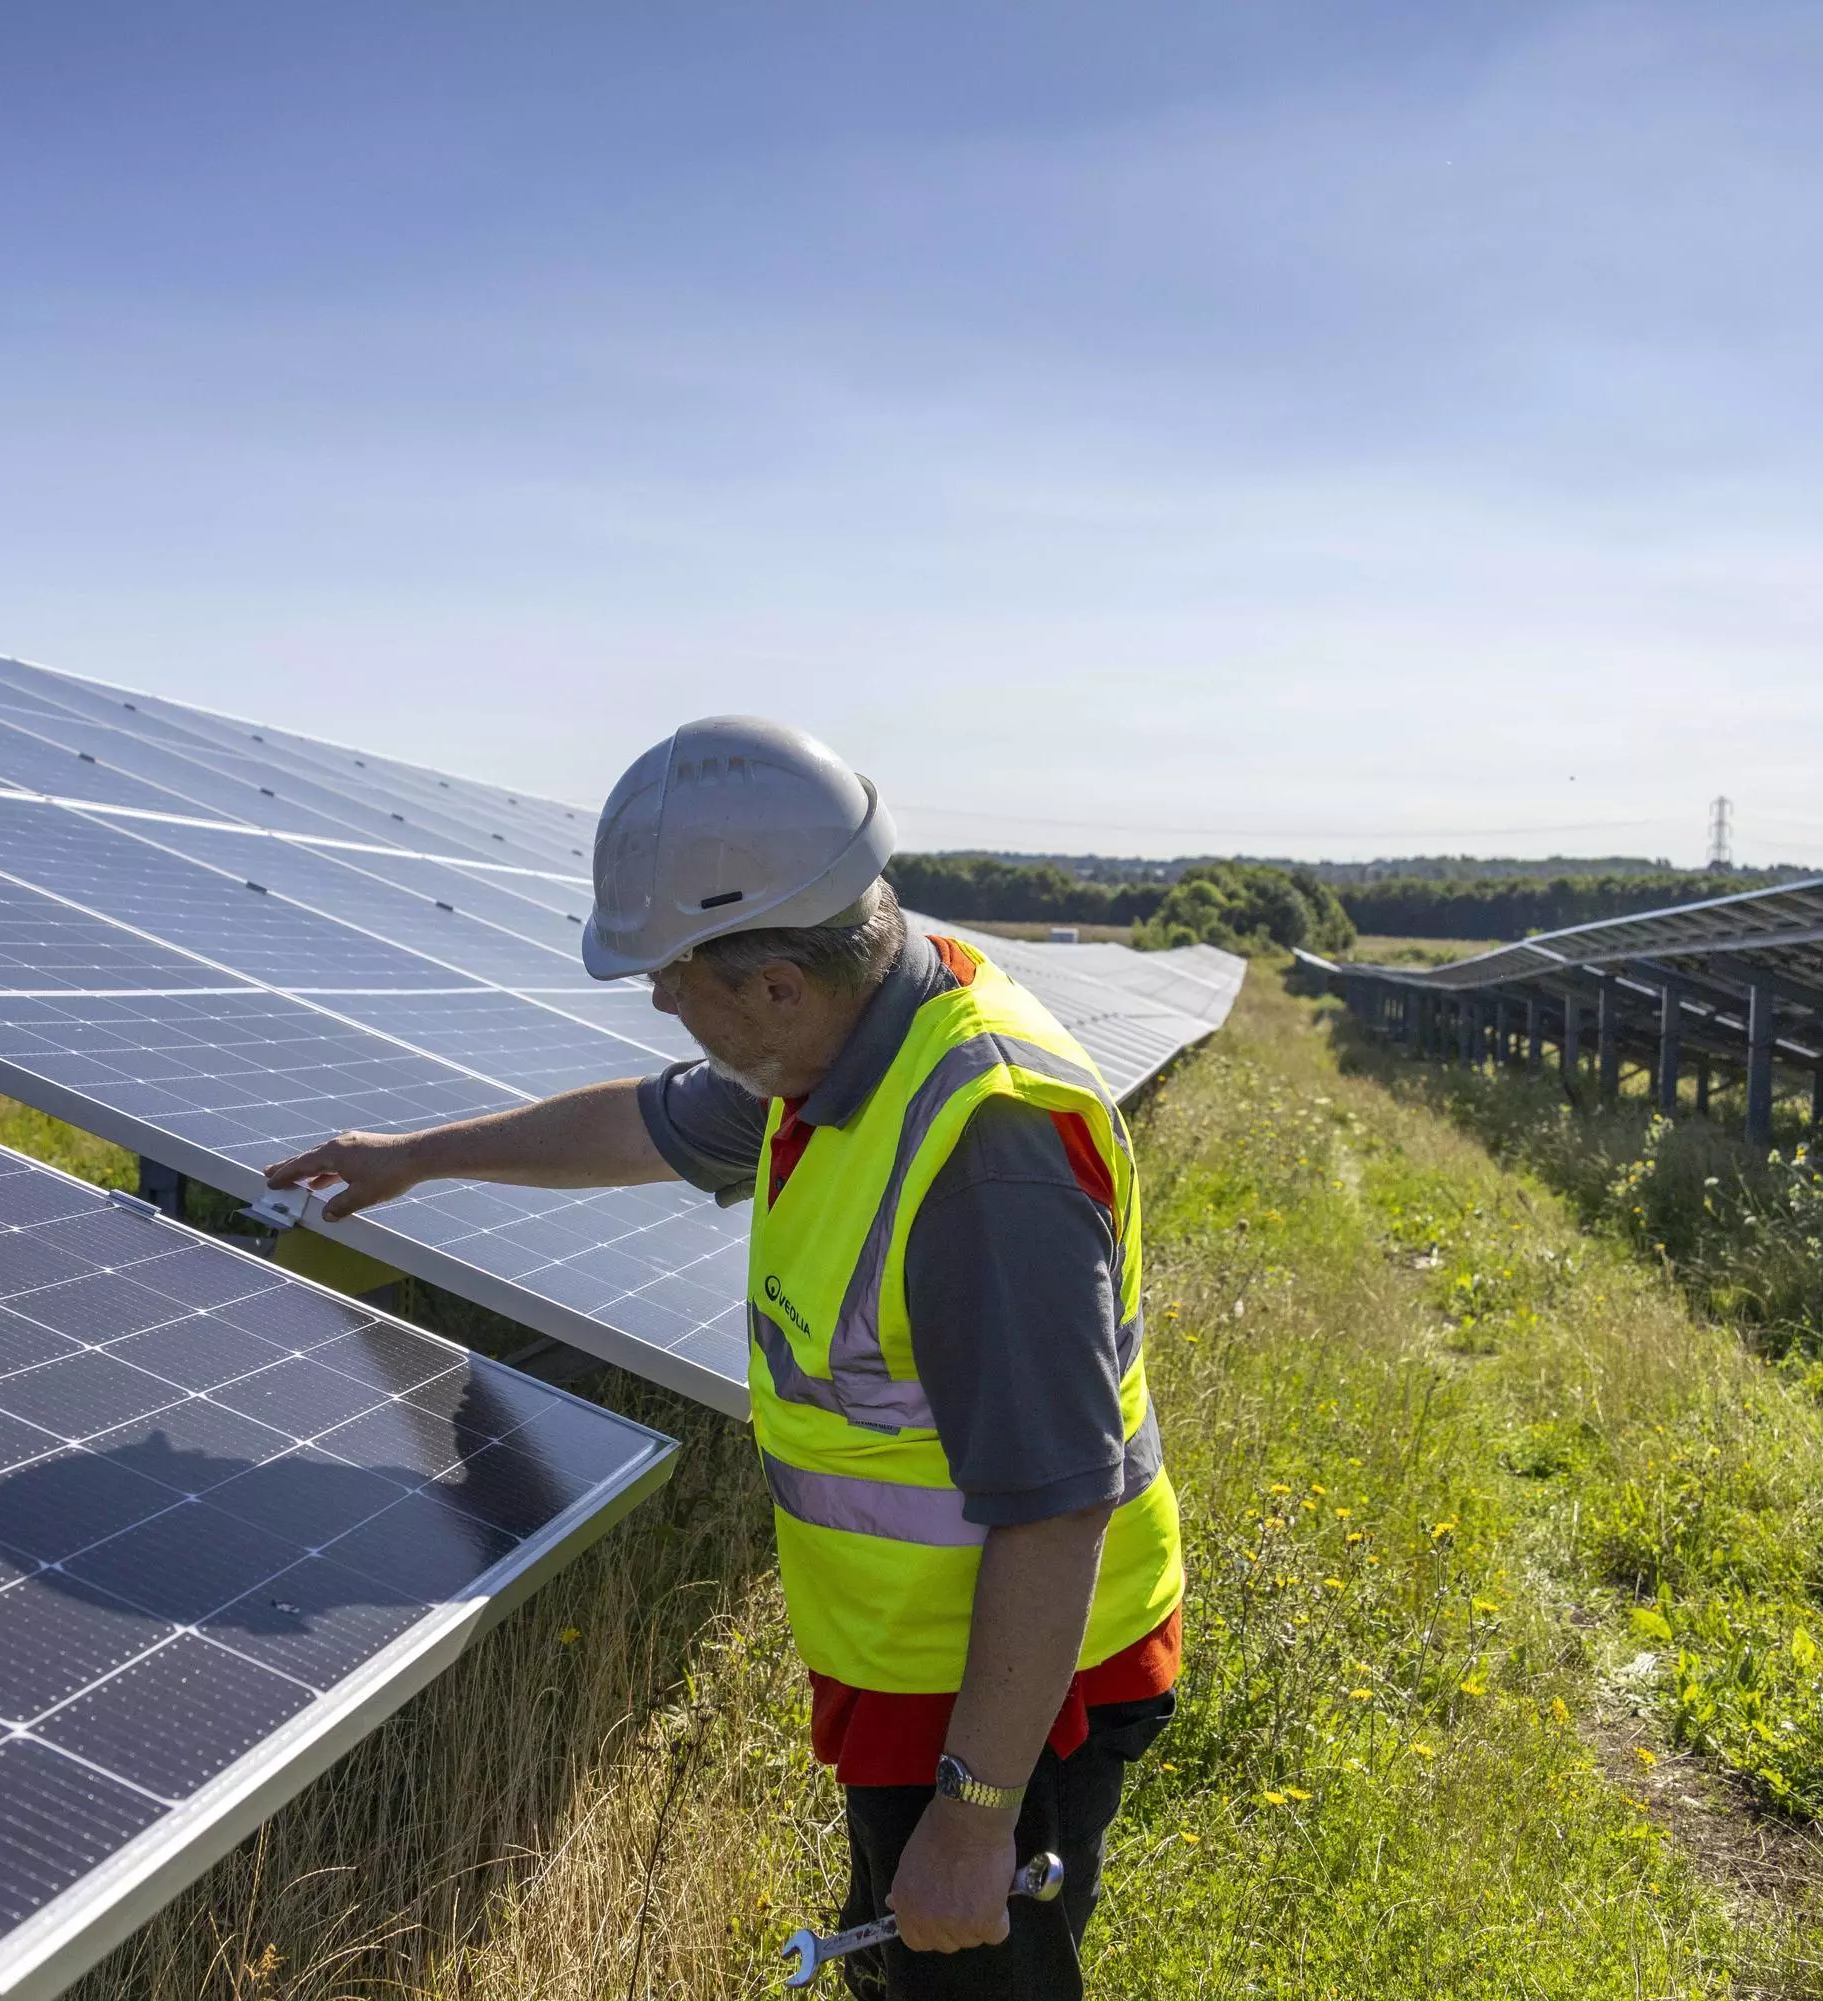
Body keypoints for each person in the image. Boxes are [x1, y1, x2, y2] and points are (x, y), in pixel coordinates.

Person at [263, 717, 1183, 1999]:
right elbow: (638, 1126)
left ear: (778, 983)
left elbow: (1057, 1511)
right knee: (903, 1959)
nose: (655, 1001)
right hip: (922, 1665)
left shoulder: (988, 1153)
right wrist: (413, 1154)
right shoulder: (836, 1047)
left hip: (1018, 1692)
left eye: (668, 975)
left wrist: (975, 1817)